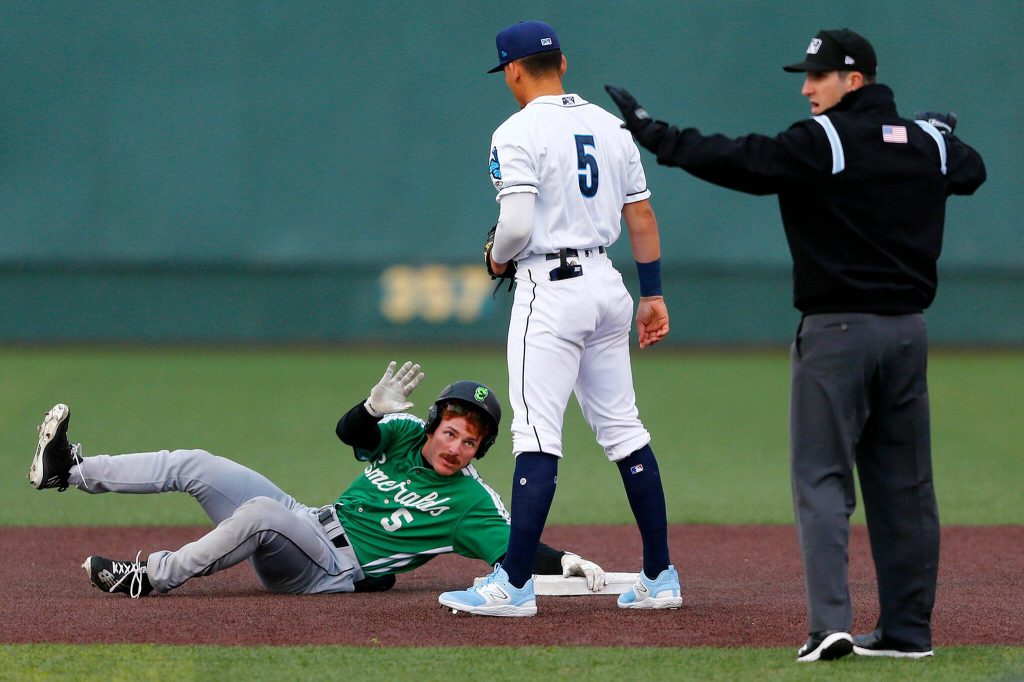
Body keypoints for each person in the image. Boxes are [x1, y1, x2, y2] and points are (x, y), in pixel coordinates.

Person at [606, 28, 986, 661]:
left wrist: (655, 134)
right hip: (908, 335)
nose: (807, 88)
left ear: (854, 81)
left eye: (818, 76)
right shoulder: (927, 144)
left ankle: (830, 625)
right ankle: (908, 632)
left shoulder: (826, 140)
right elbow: (972, 169)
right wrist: (934, 136)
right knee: (906, 485)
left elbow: (743, 159)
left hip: (838, 332)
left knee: (822, 479)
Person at [438, 20, 680, 618]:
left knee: (536, 435)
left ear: (513, 71)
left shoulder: (515, 130)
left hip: (550, 288)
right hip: (607, 283)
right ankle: (660, 574)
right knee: (625, 431)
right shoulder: (612, 126)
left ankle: (513, 584)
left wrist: (496, 258)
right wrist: (652, 294)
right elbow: (642, 216)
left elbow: (517, 226)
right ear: (563, 63)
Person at [27, 360, 607, 598]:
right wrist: (372, 408)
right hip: (307, 521)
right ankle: (70, 470)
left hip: (329, 569)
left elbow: (516, 548)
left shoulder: (471, 503)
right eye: (453, 431)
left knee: (255, 515)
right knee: (196, 463)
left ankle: (148, 579)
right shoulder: (405, 434)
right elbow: (349, 432)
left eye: (472, 441)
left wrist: (570, 561)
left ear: (480, 449)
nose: (458, 447)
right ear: (434, 426)